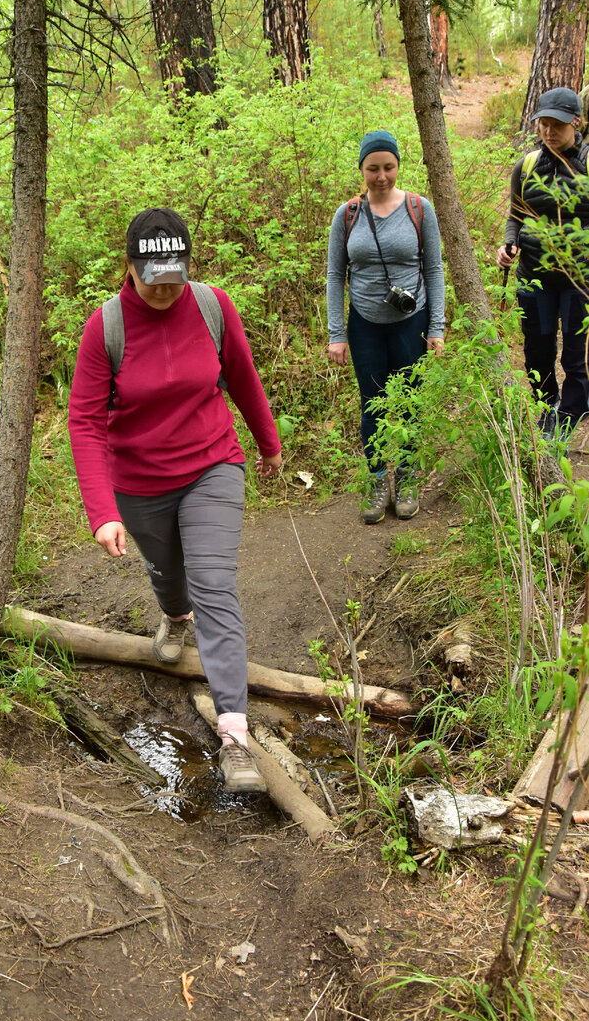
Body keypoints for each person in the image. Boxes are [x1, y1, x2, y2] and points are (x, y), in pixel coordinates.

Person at [68, 207, 283, 794]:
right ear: (129, 268)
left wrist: (268, 442)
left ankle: (234, 736)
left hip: (213, 463)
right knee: (168, 572)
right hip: (138, 483)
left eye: (174, 274)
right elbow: (85, 423)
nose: (165, 287)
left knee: (215, 583)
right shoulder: (105, 327)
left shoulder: (211, 306)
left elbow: (242, 375)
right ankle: (173, 613)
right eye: (152, 276)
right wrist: (103, 512)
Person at [326, 130, 446, 524]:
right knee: (372, 405)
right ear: (361, 169)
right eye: (373, 168)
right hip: (365, 325)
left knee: (410, 402)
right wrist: (337, 334)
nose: (381, 176)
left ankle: (407, 478)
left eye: (388, 167)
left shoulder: (418, 208)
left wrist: (437, 327)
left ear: (398, 166)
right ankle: (377, 480)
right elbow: (333, 276)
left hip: (412, 324)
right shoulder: (347, 215)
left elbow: (433, 269)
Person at [497, 87, 589, 445]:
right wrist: (510, 244)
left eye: (557, 125)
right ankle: (548, 405)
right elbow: (515, 217)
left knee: (575, 351)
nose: (549, 132)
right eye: (543, 124)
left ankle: (573, 409)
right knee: (537, 347)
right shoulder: (528, 165)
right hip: (534, 277)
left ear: (576, 122)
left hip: (577, 279)